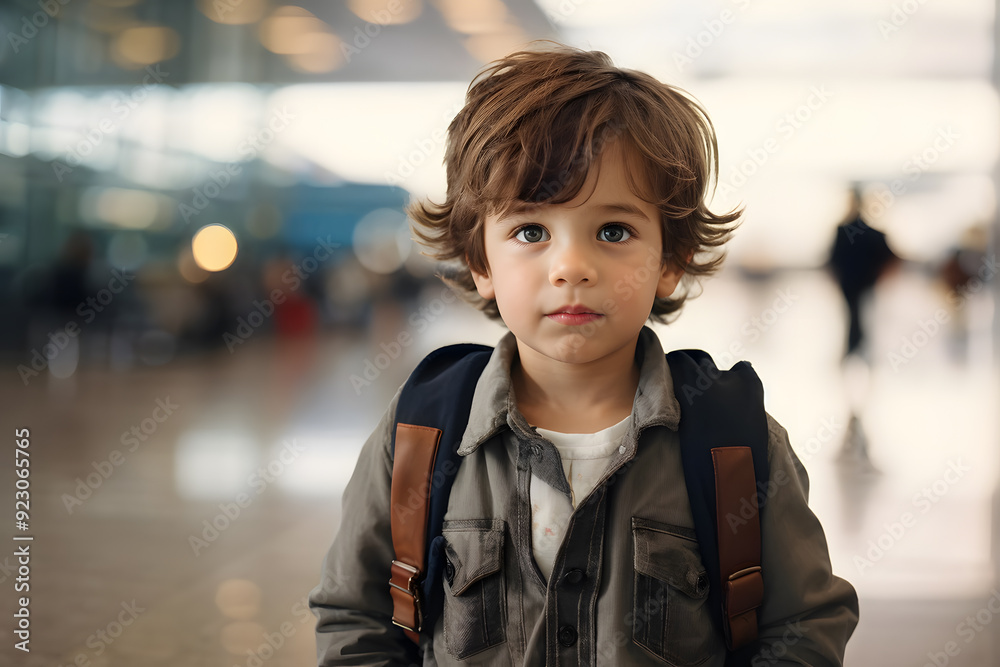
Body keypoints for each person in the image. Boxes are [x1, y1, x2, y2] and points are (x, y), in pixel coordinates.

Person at [309, 41, 859, 666]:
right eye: (531, 231)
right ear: (480, 261)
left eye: (614, 231)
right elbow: (357, 618)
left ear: (671, 260)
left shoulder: (732, 443)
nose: (571, 266)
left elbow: (804, 625)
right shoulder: (420, 437)